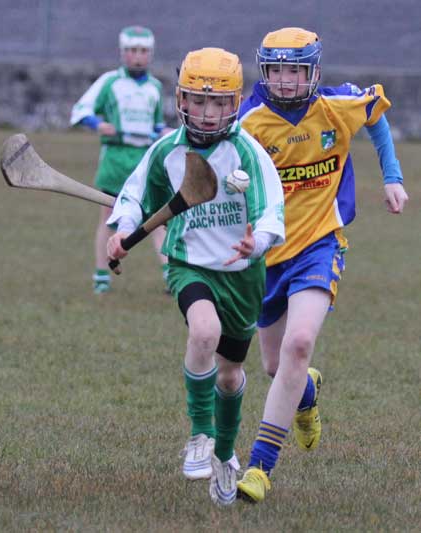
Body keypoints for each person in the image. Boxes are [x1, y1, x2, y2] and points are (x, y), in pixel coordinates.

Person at [236, 27, 409, 503]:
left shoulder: (336, 107)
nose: (287, 81)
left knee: (300, 342)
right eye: (277, 71)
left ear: (313, 72)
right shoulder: (248, 122)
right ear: (264, 71)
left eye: (296, 70)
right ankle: (306, 395)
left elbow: (376, 112)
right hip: (265, 254)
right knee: (276, 364)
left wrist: (391, 176)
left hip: (319, 244)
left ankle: (260, 467)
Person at [106, 47, 285, 505]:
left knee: (229, 377)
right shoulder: (167, 149)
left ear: (235, 103)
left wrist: (258, 243)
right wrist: (123, 230)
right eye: (198, 101)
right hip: (189, 264)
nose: (208, 113)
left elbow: (271, 211)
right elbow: (135, 197)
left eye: (219, 103)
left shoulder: (248, 151)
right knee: (203, 332)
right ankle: (200, 437)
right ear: (182, 100)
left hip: (242, 275)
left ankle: (225, 455)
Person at [70, 25, 169, 294]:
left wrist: (164, 132)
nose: (138, 57)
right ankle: (102, 275)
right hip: (115, 161)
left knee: (157, 218)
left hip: (145, 160)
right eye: (133, 51)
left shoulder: (155, 87)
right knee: (109, 218)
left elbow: (156, 124)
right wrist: (97, 124)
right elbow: (81, 110)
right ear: (123, 53)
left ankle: (170, 274)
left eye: (143, 52)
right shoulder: (110, 81)